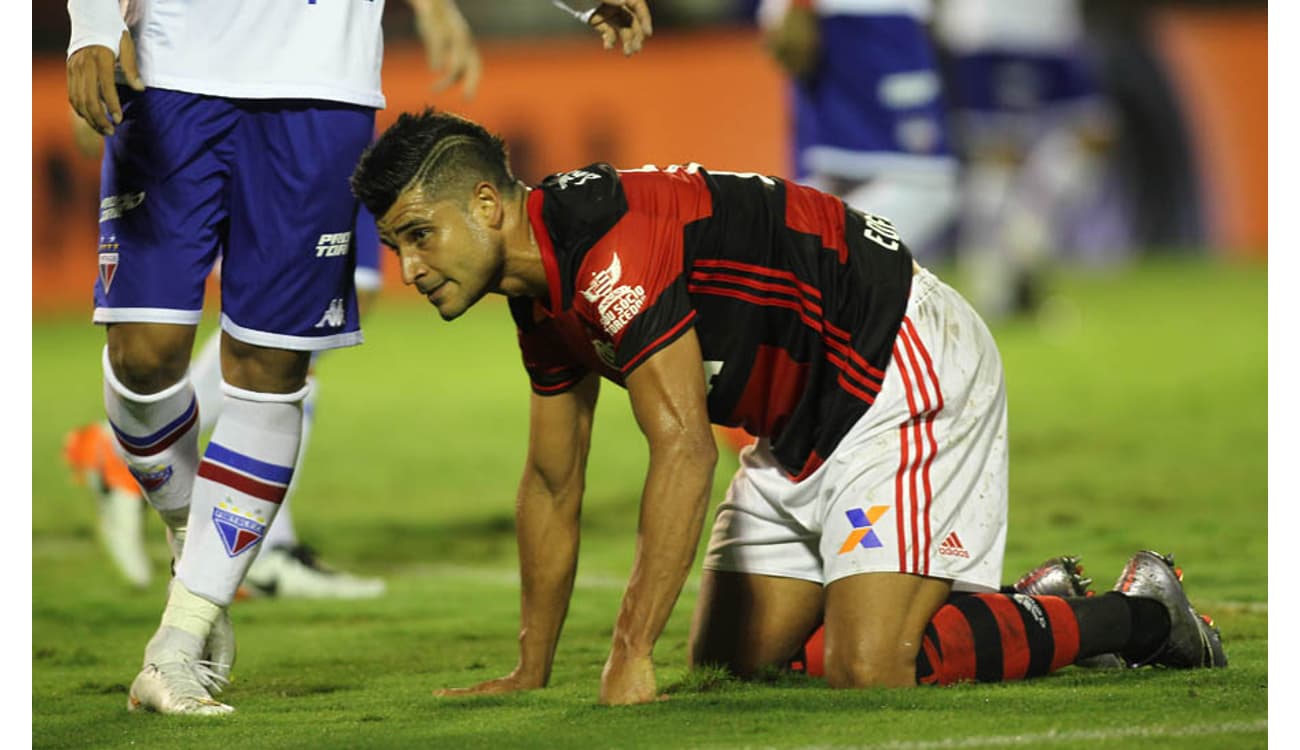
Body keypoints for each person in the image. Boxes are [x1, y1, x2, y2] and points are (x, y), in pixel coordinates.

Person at [348, 110, 1225, 705]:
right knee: (739, 664)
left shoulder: (612, 249)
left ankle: (1146, 616)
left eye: (420, 236)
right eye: (394, 247)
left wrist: (628, 651)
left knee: (868, 667)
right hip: (798, 421)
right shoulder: (539, 292)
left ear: (489, 205)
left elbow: (687, 450)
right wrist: (530, 669)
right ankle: (1021, 607)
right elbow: (549, 481)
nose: (410, 268)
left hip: (893, 361)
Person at [65, 0, 655, 717]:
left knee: (274, 368)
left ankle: (179, 640)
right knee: (144, 354)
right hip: (172, 68)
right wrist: (92, 26)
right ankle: (195, 532)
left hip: (322, 88)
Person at [932, 0, 1120, 319]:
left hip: (1053, 30)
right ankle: (992, 289)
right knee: (997, 156)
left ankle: (1026, 248)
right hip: (986, 31)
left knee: (1095, 134)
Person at [758, 0, 959, 259]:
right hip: (867, 21)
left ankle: (796, 274)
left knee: (831, 189)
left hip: (857, 21)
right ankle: (813, 274)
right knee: (926, 185)